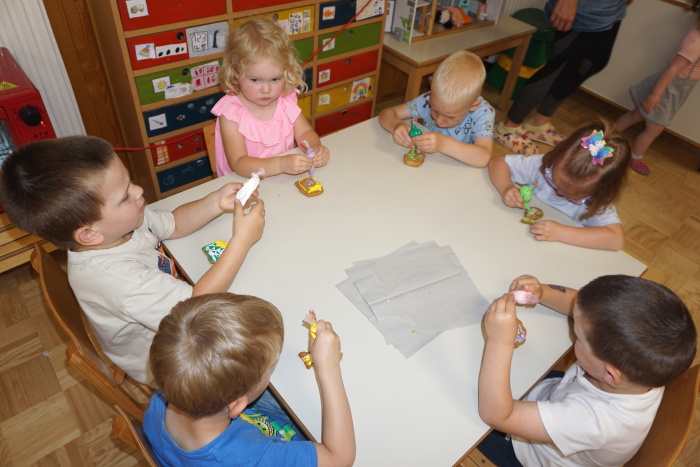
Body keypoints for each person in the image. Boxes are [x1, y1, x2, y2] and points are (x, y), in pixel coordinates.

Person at [0, 136, 265, 385]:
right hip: (170, 364)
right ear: (89, 234)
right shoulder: (121, 282)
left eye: (129, 183)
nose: (138, 191)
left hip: (176, 309)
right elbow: (198, 306)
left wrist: (215, 202)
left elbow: (173, 224)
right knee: (260, 363)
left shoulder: (121, 225)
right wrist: (242, 240)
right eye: (125, 195)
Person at [477, 274, 697, 466]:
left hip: (526, 452)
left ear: (610, 374)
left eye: (578, 337)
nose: (574, 333)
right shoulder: (642, 368)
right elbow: (585, 310)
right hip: (556, 397)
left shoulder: (591, 421)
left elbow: (497, 416)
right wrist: (542, 292)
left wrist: (499, 341)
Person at [144, 293, 355, 466]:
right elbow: (340, 458)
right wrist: (328, 366)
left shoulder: (168, 392)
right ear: (237, 405)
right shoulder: (251, 458)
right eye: (270, 370)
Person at [494, 0, 634, 156]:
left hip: (611, 8)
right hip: (585, 9)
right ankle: (507, 127)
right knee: (559, 67)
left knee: (591, 64)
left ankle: (538, 122)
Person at [213, 18, 329, 178]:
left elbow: (305, 132)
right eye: (255, 80)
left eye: (275, 79)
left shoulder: (285, 100)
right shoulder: (231, 113)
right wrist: (280, 165)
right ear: (237, 73)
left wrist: (314, 148)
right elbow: (239, 163)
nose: (266, 90)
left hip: (283, 178)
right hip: (243, 184)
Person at [488, 120, 630, 250]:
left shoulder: (598, 201)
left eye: (570, 195)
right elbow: (498, 163)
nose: (559, 193)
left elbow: (616, 240)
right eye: (554, 182)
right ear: (557, 155)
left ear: (600, 190)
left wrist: (563, 233)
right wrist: (506, 188)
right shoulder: (545, 164)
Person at [615, 0, 700, 175]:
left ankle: (602, 136)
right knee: (655, 128)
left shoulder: (697, 34)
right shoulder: (696, 44)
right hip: (669, 89)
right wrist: (655, 94)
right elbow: (673, 68)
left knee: (636, 115)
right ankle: (635, 157)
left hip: (671, 87)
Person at [378, 50, 494, 168]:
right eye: (434, 109)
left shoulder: (483, 113)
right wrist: (396, 125)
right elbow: (386, 113)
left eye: (450, 116)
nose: (439, 121)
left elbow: (483, 158)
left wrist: (443, 144)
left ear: (473, 106)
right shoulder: (429, 99)